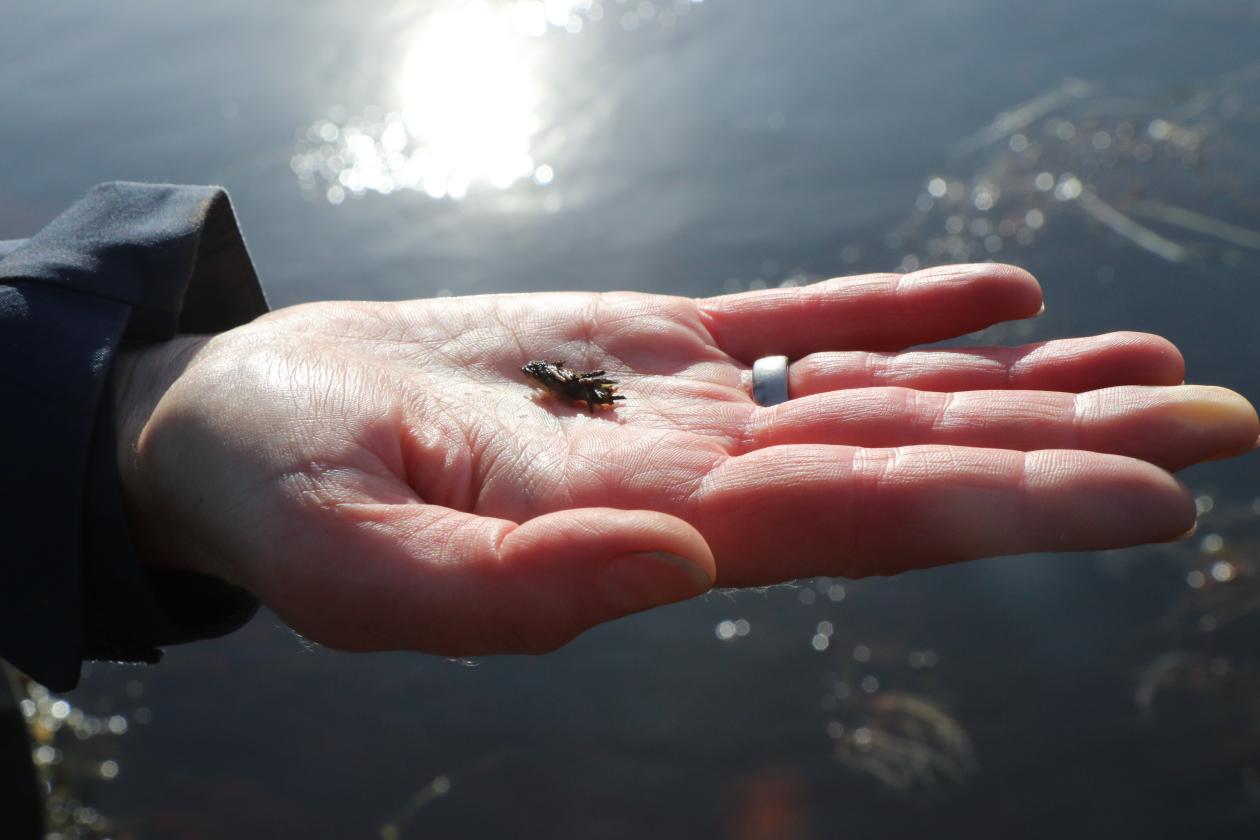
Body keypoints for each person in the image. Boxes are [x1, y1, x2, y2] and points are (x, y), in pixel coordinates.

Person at [3, 182, 1258, 695]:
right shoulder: (569, 388)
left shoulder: (572, 384)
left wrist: (126, 403)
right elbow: (573, 392)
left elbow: (573, 390)